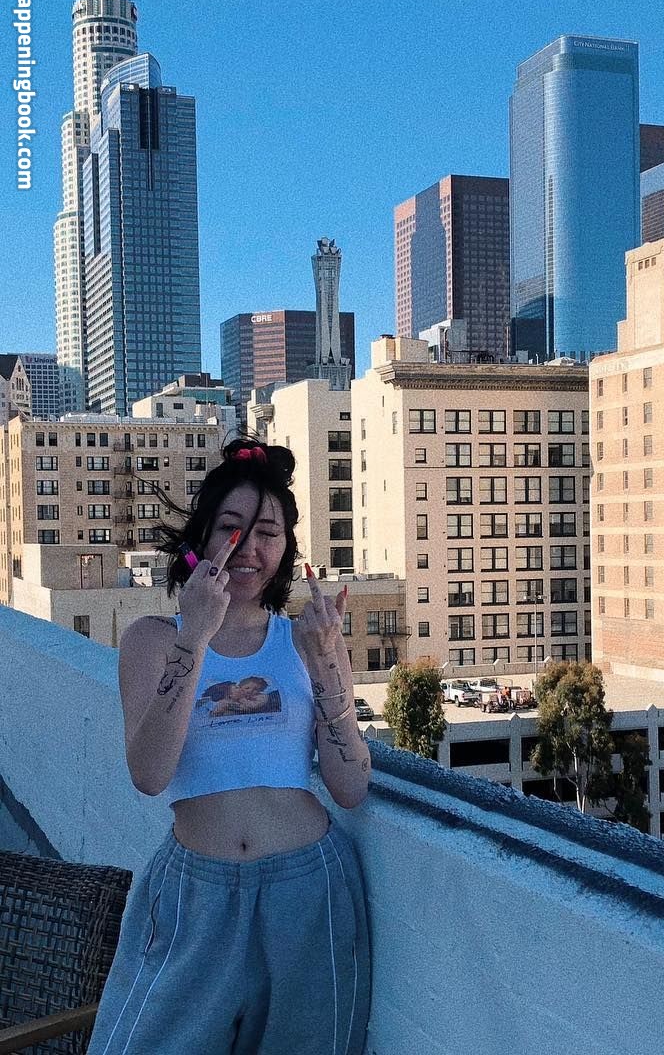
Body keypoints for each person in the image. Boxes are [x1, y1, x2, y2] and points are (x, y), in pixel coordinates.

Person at [87, 438, 372, 1055]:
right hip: (196, 892)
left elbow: (350, 786)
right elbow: (149, 773)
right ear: (203, 538)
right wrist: (195, 634)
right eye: (231, 527)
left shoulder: (305, 642)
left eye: (268, 533)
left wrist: (327, 662)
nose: (248, 548)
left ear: (286, 550)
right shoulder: (152, 639)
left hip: (309, 888)